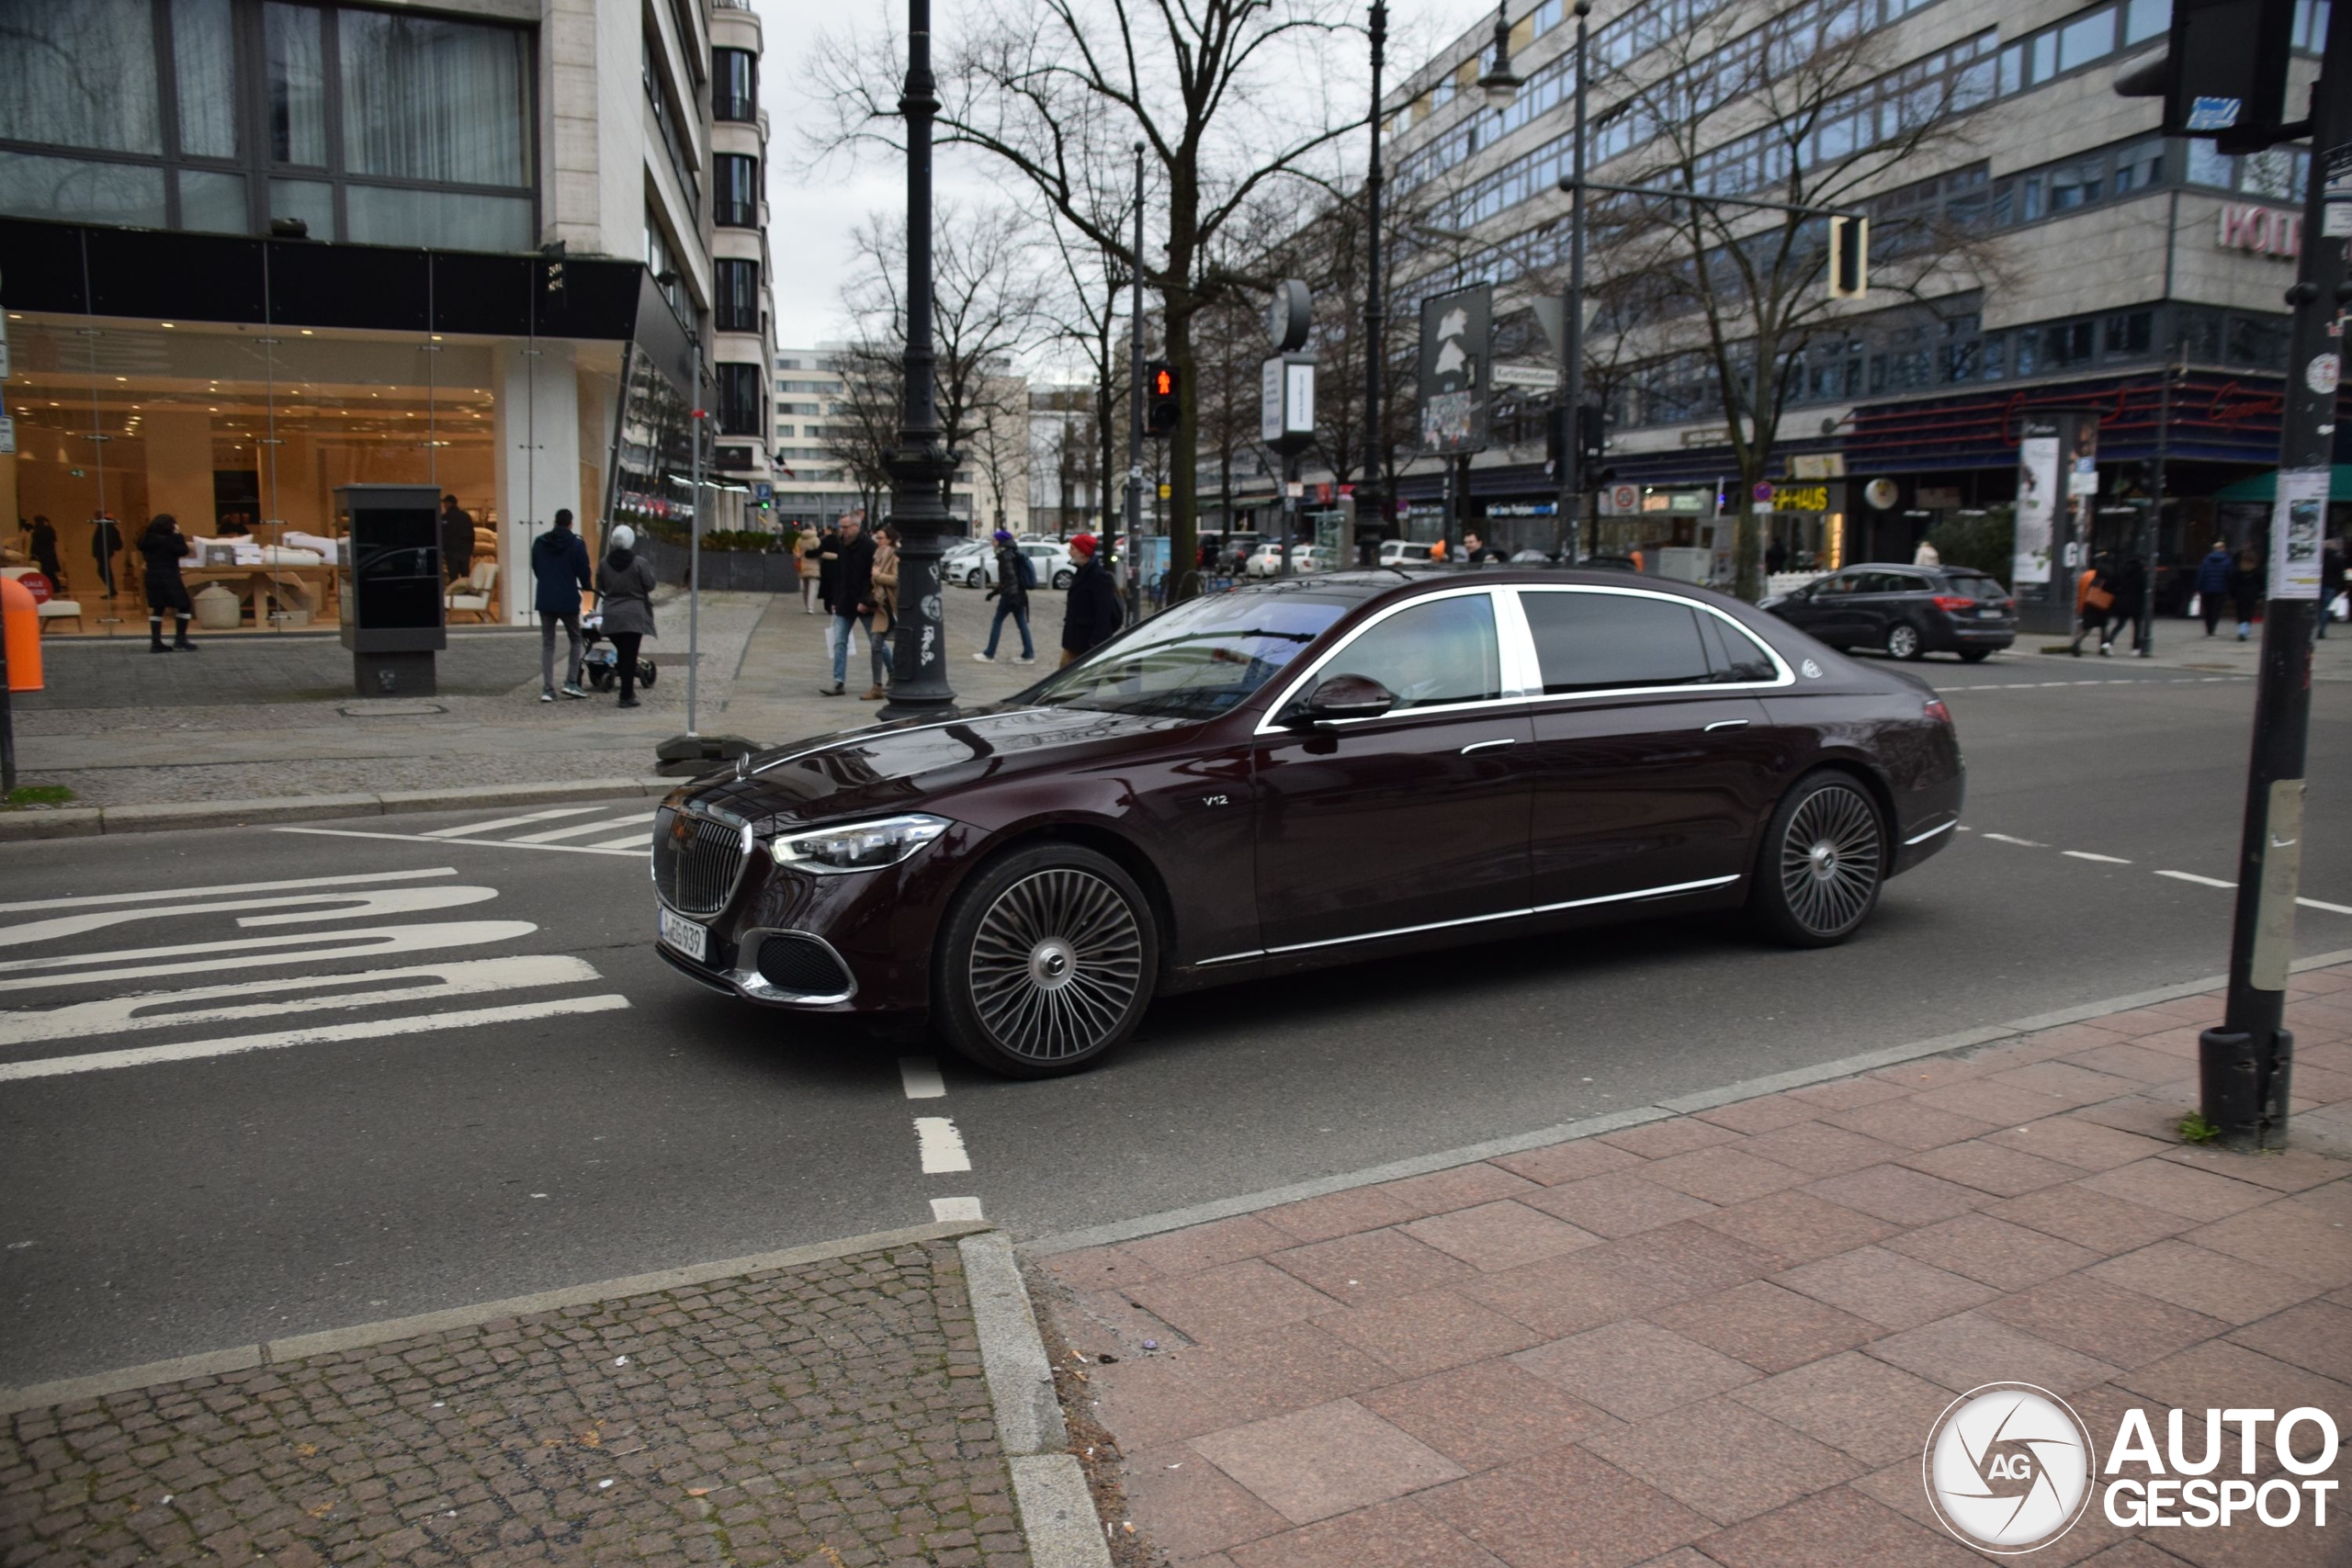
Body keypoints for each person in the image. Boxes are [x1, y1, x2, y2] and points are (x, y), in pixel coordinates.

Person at [531, 508, 594, 702]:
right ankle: (571, 683)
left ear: (554, 522)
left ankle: (547, 689)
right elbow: (583, 569)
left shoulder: (540, 543)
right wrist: (586, 586)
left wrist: (548, 583)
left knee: (548, 644)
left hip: (546, 599)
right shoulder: (576, 544)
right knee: (575, 639)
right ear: (570, 524)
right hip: (567, 599)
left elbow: (537, 567)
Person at [595, 524, 658, 708]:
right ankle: (626, 695)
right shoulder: (640, 563)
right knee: (630, 655)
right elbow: (650, 584)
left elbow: (600, 585)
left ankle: (626, 690)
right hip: (634, 614)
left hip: (612, 615)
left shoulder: (604, 563)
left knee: (623, 653)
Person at [820, 513, 877, 696]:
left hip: (864, 602)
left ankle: (892, 673)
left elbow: (871, 578)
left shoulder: (869, 546)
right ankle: (838, 682)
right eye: (841, 527)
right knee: (839, 641)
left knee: (877, 642)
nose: (842, 530)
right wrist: (835, 600)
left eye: (845, 527)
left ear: (856, 526)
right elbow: (840, 576)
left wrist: (865, 600)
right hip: (845, 600)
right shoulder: (842, 545)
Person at [1059, 532, 1124, 665]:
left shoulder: (1098, 577)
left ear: (1083, 552)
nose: (1069, 552)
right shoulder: (1081, 571)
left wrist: (1096, 641)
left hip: (1087, 641)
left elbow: (1103, 612)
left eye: (1072, 549)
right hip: (1076, 639)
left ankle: (1130, 682)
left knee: (1075, 679)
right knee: (1067, 678)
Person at [975, 528, 1036, 663]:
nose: (992, 542)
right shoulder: (1013, 552)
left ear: (1000, 542)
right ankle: (1028, 654)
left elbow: (1009, 578)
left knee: (997, 622)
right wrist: (995, 593)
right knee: (1022, 624)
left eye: (994, 540)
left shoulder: (1005, 556)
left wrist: (1000, 593)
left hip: (1010, 595)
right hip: (1019, 594)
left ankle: (989, 653)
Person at [138, 513, 197, 652]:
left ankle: (156, 642)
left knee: (158, 608)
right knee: (184, 605)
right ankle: (180, 639)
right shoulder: (170, 540)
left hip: (152, 575)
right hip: (169, 575)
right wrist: (177, 535)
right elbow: (182, 550)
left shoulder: (146, 539)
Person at [862, 524, 899, 700]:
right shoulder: (877, 555)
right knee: (876, 643)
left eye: (881, 538)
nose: (878, 541)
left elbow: (896, 580)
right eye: (877, 538)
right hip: (881, 606)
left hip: (893, 607)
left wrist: (877, 576)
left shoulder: (895, 556)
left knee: (894, 644)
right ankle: (877, 684)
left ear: (890, 539)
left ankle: (894, 678)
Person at [2070, 553, 2117, 656]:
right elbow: (2110, 591)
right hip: (2101, 606)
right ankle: (2104, 648)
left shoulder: (2093, 577)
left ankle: (2077, 644)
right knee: (2103, 627)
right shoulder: (2108, 578)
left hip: (2090, 604)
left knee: (2087, 628)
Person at [2109, 555, 2148, 653]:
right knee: (2137, 627)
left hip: (2122, 602)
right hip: (2136, 603)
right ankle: (2136, 648)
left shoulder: (2123, 573)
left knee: (2119, 625)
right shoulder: (2141, 574)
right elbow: (2144, 588)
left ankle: (2108, 643)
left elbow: (2112, 585)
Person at [2196, 539, 2233, 637]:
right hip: (2221, 589)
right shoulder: (2227, 561)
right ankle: (2212, 629)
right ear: (2223, 549)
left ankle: (2208, 628)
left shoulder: (2206, 560)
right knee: (2216, 610)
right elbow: (2229, 575)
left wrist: (2199, 587)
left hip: (2207, 589)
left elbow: (2201, 575)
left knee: (2208, 609)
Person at [2229, 547, 2264, 640]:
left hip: (2240, 593)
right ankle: (2245, 628)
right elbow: (2261, 583)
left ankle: (2241, 628)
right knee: (2249, 611)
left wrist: (2232, 595)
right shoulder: (2256, 571)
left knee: (2240, 611)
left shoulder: (2238, 571)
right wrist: (2260, 594)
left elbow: (2233, 583)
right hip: (2252, 593)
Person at [438, 494, 474, 584]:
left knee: (453, 575)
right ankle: (466, 594)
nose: (444, 506)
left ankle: (455, 596)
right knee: (465, 574)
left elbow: (443, 534)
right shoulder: (466, 516)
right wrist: (470, 550)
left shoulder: (445, 518)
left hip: (452, 550)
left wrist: (442, 549)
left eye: (445, 503)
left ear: (448, 503)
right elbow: (472, 534)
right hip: (465, 551)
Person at [90, 514, 122, 597]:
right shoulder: (107, 526)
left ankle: (112, 589)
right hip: (105, 552)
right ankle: (112, 589)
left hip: (103, 552)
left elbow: (103, 540)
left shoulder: (104, 526)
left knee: (104, 571)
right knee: (105, 571)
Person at [2320, 536, 2345, 639]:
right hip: (2330, 586)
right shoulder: (2338, 559)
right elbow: (2341, 574)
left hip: (2317, 585)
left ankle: (2313, 628)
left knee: (2315, 609)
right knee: (2326, 609)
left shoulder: (2320, 558)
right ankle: (2321, 630)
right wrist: (2340, 586)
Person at [28, 514, 62, 589]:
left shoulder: (37, 531)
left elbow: (35, 544)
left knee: (46, 574)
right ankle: (55, 588)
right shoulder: (50, 530)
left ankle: (52, 588)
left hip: (42, 555)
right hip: (49, 555)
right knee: (50, 574)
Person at [795, 525, 822, 613]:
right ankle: (810, 607)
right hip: (813, 565)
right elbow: (820, 551)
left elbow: (796, 551)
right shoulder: (815, 539)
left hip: (802, 565)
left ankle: (807, 605)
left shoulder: (800, 539)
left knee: (805, 588)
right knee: (812, 587)